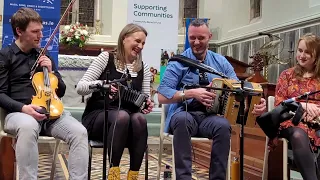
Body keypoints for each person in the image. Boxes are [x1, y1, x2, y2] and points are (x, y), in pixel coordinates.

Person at [157, 19, 266, 179]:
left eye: (201, 38)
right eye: (192, 38)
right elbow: (161, 96)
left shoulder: (221, 62)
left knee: (223, 126)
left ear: (210, 37)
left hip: (210, 117)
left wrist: (256, 101)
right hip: (184, 114)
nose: (196, 42)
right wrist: (191, 93)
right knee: (182, 120)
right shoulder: (178, 63)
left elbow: (238, 87)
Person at [0, 7, 88, 180]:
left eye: (41, 30)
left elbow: (61, 91)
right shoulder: (5, 56)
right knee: (28, 125)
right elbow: (0, 94)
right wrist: (24, 108)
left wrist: (51, 71)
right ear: (19, 31)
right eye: (35, 31)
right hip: (20, 113)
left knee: (80, 132)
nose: (41, 35)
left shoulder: (43, 54)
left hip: (51, 115)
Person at [76, 23, 153, 180]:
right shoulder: (106, 58)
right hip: (99, 116)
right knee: (122, 116)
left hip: (128, 121)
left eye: (143, 43)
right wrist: (101, 85)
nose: (140, 46)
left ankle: (133, 175)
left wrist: (147, 104)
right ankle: (114, 173)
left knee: (139, 118)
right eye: (137, 41)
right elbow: (80, 87)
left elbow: (145, 97)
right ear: (124, 38)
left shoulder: (142, 68)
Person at [269, 33, 320, 180]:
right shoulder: (287, 75)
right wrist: (303, 106)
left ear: (316, 55)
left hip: (316, 122)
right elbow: (280, 104)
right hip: (291, 121)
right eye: (300, 50)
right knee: (298, 134)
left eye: (307, 52)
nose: (302, 55)